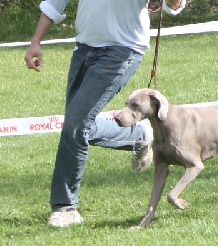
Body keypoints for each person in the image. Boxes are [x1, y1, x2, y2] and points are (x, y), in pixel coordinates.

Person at [24, 0, 186, 228]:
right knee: (77, 126)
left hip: (122, 50)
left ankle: (66, 208)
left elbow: (173, 5)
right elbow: (54, 2)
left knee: (76, 125)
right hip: (84, 48)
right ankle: (139, 136)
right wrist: (35, 41)